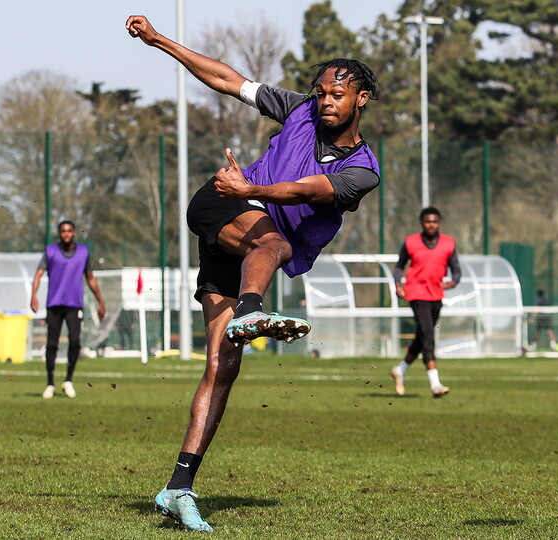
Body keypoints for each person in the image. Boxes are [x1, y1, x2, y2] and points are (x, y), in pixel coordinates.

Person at [127, 15, 381, 532]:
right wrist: (159, 42)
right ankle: (252, 311)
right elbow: (227, 79)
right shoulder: (299, 111)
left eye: (338, 93)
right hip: (221, 209)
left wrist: (252, 192)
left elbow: (310, 190)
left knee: (222, 369)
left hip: (246, 240)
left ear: (362, 100)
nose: (326, 100)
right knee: (274, 240)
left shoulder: (364, 170)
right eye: (322, 91)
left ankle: (177, 488)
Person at [30, 220, 106, 399]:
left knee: (74, 341)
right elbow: (38, 274)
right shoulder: (50, 252)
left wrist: (101, 301)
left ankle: (68, 380)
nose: (66, 234)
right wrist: (33, 295)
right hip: (54, 304)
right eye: (63, 231)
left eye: (69, 231)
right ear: (59, 233)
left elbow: (90, 277)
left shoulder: (83, 252)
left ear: (74, 233)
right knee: (52, 344)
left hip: (74, 304)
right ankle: (50, 383)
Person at [389, 207, 461, 398]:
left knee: (422, 337)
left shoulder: (449, 243)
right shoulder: (411, 242)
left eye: (435, 221)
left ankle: (400, 370)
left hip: (436, 295)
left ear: (439, 223)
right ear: (421, 223)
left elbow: (456, 269)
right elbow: (399, 266)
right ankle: (436, 384)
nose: (431, 225)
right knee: (428, 338)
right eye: (428, 221)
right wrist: (398, 284)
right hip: (416, 293)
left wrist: (453, 281)